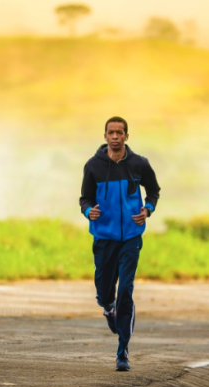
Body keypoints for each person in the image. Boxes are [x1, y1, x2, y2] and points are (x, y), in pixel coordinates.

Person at [79, 116, 161, 372]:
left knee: (126, 288)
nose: (115, 136)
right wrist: (88, 211)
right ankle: (108, 307)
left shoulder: (139, 164)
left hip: (131, 238)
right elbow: (84, 198)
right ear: (105, 136)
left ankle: (122, 350)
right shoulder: (93, 166)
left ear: (127, 136)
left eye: (119, 132)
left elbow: (154, 191)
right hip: (104, 237)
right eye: (111, 132)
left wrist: (147, 210)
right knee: (105, 292)